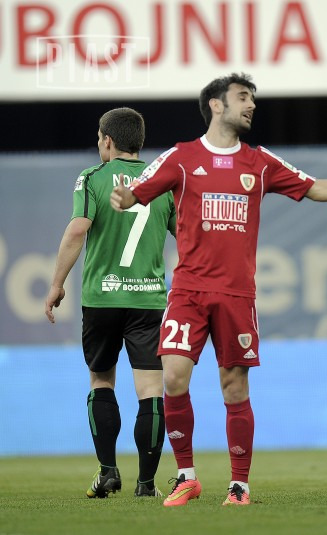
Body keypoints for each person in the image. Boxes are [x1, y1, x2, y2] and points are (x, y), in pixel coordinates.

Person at [110, 73, 327, 507]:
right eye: (242, 97)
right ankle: (186, 477)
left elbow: (314, 187)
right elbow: (138, 192)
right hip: (189, 291)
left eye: (252, 98)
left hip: (237, 295)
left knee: (234, 388)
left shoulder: (259, 162)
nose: (251, 105)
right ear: (216, 105)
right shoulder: (181, 157)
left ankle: (239, 485)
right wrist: (125, 199)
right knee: (174, 377)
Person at [45, 107, 176, 498]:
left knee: (101, 380)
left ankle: (107, 473)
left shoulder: (92, 178)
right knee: (150, 389)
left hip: (102, 298)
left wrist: (57, 284)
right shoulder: (163, 181)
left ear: (107, 140)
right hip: (148, 300)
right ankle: (147, 484)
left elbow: (77, 230)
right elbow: (187, 236)